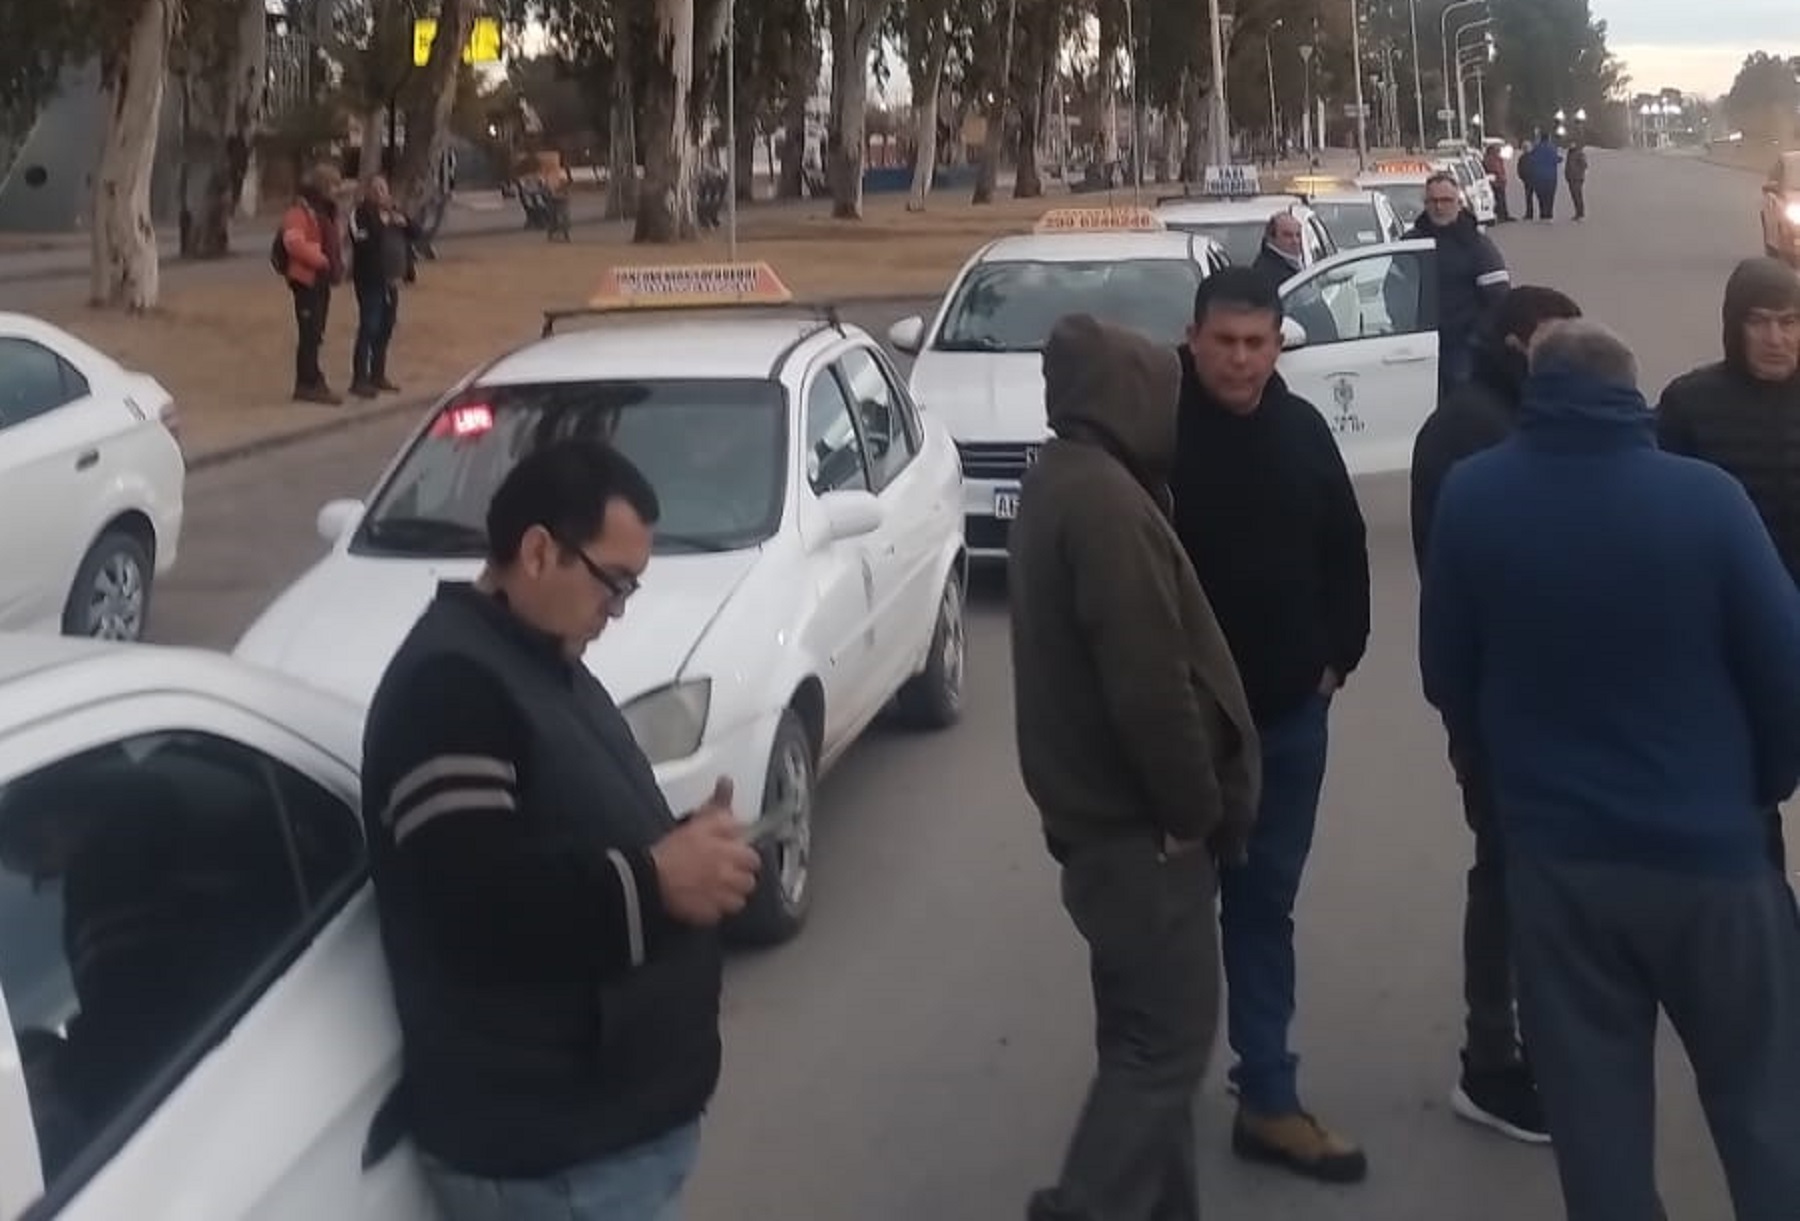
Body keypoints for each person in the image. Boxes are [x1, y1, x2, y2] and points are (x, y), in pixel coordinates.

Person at [1419, 318, 1800, 1221]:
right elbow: (1786, 666)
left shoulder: (1477, 496)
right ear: (1633, 397)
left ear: (1536, 389)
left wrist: (1506, 775)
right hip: (1715, 861)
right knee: (1763, 1105)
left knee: (1598, 1123)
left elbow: (1446, 673)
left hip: (1559, 865)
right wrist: (1763, 785)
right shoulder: (1706, 501)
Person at [359, 439, 763, 1221]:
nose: (617, 612)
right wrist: (656, 881)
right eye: (614, 585)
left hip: (600, 1142)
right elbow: (475, 912)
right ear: (539, 551)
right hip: (554, 1160)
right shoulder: (451, 691)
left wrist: (683, 846)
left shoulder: (537, 658)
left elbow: (561, 834)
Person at [1011, 312, 1260, 1221]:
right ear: (1127, 395)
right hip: (1143, 837)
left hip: (1103, 832)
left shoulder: (1070, 479)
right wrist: (1194, 809)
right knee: (1165, 1051)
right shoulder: (1109, 506)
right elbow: (1151, 685)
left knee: (1141, 1044)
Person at [1169, 268, 1372, 1184]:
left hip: (1290, 722)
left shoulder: (1301, 431)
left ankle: (1269, 1098)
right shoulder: (1156, 438)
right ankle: (1150, 1115)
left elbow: (1346, 547)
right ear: (1194, 337)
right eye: (1226, 343)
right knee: (1166, 927)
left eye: (1258, 344)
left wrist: (1338, 660)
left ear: (1279, 342)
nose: (1242, 361)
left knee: (1262, 911)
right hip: (1179, 738)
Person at [1408, 284, 1582, 1146]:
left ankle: (1545, 1037)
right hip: (1503, 706)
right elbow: (1456, 597)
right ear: (1520, 343)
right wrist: (1469, 725)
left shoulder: (1514, 418)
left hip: (1547, 702)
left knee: (1538, 872)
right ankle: (1492, 1059)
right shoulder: (1471, 434)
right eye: (1559, 342)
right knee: (1510, 876)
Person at [1655, 256, 1800, 869]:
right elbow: (1662, 533)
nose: (1775, 339)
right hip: (1732, 649)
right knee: (1748, 810)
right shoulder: (1690, 404)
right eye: (1760, 323)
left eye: (1791, 323)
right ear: (1733, 327)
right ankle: (1767, 940)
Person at [1407, 172, 1511, 393]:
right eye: (1432, 201)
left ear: (1459, 203)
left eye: (1446, 200)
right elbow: (1393, 289)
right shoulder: (1411, 243)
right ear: (1425, 204)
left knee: (1461, 409)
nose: (1439, 207)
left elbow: (1500, 299)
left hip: (1462, 349)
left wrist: (1478, 337)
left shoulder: (1477, 245)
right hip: (1415, 348)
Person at [279, 162, 346, 405]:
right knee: (309, 332)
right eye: (334, 184)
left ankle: (314, 378)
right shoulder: (301, 209)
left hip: (321, 279)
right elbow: (293, 243)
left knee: (316, 332)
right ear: (323, 185)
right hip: (306, 278)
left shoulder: (328, 210)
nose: (337, 189)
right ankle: (306, 383)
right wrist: (321, 259)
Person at [347, 175, 417, 398]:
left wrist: (404, 222)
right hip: (370, 280)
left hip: (392, 279)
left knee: (386, 327)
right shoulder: (361, 214)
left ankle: (378, 373)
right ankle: (360, 379)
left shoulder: (395, 211)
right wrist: (383, 222)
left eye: (383, 188)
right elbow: (362, 241)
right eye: (375, 188)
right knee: (369, 327)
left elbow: (417, 234)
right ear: (367, 191)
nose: (380, 192)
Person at [1253, 211, 1305, 291]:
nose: (1295, 241)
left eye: (1298, 235)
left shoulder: (1290, 264)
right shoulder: (1270, 272)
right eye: (1288, 235)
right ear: (1271, 238)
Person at [1518, 133, 1561, 221]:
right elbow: (1556, 159)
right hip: (1551, 177)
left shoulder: (1536, 149)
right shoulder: (1552, 148)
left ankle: (1543, 213)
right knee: (1550, 196)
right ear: (1548, 138)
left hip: (1538, 177)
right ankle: (1549, 214)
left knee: (1541, 196)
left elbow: (1532, 161)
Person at [1483, 141, 1511, 223]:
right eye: (1497, 150)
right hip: (1496, 182)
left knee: (1502, 198)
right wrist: (1501, 177)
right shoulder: (1490, 159)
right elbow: (1495, 170)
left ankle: (1504, 215)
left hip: (1500, 181)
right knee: (1498, 199)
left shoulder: (1498, 158)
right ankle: (1501, 216)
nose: (1499, 151)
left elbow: (1501, 169)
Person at [1564, 139, 1588, 221]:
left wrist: (1578, 172)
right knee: (1574, 196)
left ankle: (1581, 214)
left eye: (1572, 144)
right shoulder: (1569, 153)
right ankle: (1577, 213)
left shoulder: (1579, 153)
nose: (1571, 145)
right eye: (1570, 144)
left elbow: (1584, 165)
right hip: (1570, 178)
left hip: (1577, 178)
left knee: (1578, 195)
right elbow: (1568, 165)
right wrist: (1567, 175)